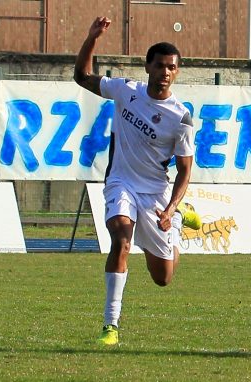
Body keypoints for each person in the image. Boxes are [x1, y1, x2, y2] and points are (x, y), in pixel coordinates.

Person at [74, 16, 202, 345]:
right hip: (121, 183)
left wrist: (171, 209)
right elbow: (82, 77)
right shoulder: (125, 90)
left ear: (177, 72)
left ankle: (177, 225)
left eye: (172, 68)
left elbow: (185, 170)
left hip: (157, 195)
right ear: (148, 67)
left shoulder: (181, 117)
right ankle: (110, 324)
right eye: (159, 66)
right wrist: (92, 38)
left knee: (163, 278)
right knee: (121, 237)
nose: (165, 73)